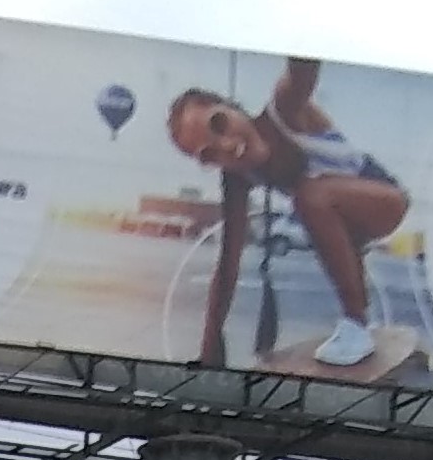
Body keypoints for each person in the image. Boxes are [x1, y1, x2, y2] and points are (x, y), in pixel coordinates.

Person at [167, 56, 410, 367]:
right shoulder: (238, 178)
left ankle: (355, 324)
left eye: (219, 124)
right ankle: (362, 321)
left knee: (310, 197)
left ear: (231, 107)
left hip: (383, 198)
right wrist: (209, 349)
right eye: (209, 155)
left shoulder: (285, 110)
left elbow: (302, 68)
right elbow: (228, 265)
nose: (226, 145)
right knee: (314, 207)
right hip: (345, 220)